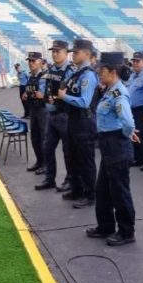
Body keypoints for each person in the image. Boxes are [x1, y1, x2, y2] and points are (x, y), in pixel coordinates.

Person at [86, 51, 139, 246]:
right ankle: (105, 226)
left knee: (119, 191)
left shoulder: (118, 92)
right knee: (103, 190)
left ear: (113, 72)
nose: (99, 73)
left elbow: (127, 120)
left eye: (102, 70)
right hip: (109, 145)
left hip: (116, 145)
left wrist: (126, 133)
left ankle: (126, 232)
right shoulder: (109, 90)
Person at [57, 39, 98, 208]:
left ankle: (90, 194)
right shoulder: (77, 73)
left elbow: (84, 102)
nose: (73, 54)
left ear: (87, 54)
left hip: (83, 121)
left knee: (85, 160)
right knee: (73, 157)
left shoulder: (88, 75)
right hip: (73, 120)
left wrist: (64, 97)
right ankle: (77, 189)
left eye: (77, 52)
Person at [41, 40, 75, 191]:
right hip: (52, 114)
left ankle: (70, 179)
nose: (54, 54)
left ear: (66, 53)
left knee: (68, 151)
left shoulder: (71, 70)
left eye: (58, 51)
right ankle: (49, 178)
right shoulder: (51, 69)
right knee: (47, 148)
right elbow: (46, 88)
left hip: (65, 115)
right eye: (53, 51)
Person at [22, 52, 49, 184]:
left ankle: (45, 164)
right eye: (29, 61)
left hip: (43, 110)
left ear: (40, 62)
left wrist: (42, 95)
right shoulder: (30, 76)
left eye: (33, 61)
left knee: (44, 138)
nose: (31, 63)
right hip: (33, 109)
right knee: (35, 137)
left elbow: (50, 94)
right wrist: (26, 95)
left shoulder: (45, 76)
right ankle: (39, 161)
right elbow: (30, 90)